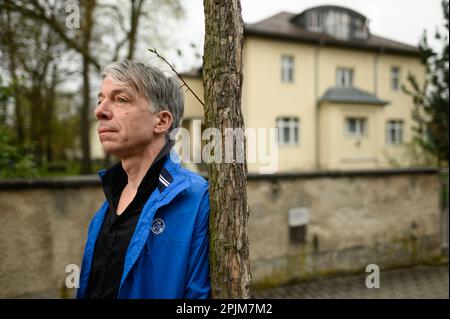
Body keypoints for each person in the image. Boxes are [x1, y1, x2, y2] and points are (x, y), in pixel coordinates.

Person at [76, 61, 210, 299]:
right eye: (100, 100)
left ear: (161, 121)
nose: (100, 111)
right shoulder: (104, 209)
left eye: (120, 99)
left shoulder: (197, 199)